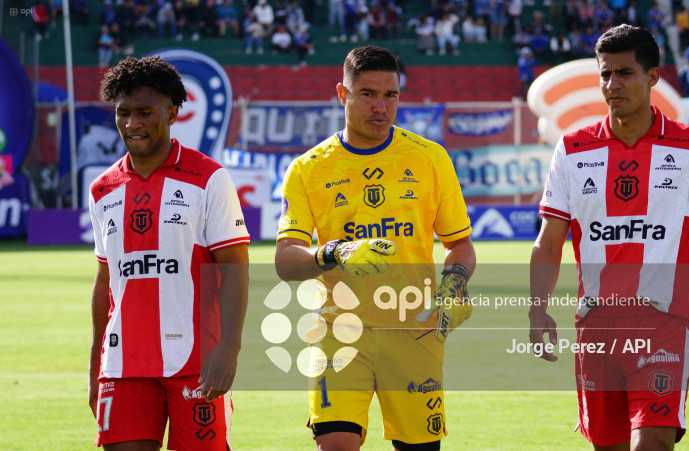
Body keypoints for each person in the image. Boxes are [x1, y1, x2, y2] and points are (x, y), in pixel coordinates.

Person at [529, 25, 689, 450]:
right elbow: (549, 242)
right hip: (596, 326)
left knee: (653, 443)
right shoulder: (572, 151)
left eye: (624, 73)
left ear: (653, 77)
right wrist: (538, 310)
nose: (612, 85)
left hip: (664, 322)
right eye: (605, 74)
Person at [274, 46, 476, 450]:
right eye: (367, 94)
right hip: (338, 330)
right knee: (335, 443)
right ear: (342, 94)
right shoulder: (308, 168)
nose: (381, 106)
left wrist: (453, 286)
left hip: (413, 330)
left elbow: (460, 246)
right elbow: (285, 260)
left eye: (391, 95)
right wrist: (333, 254)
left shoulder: (430, 159)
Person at [88, 56, 250, 450]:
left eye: (145, 112)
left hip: (196, 362)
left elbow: (235, 269)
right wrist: (96, 366)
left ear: (173, 112)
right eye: (123, 113)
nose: (132, 123)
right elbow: (106, 280)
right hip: (123, 365)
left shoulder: (208, 178)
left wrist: (229, 348)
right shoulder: (102, 189)